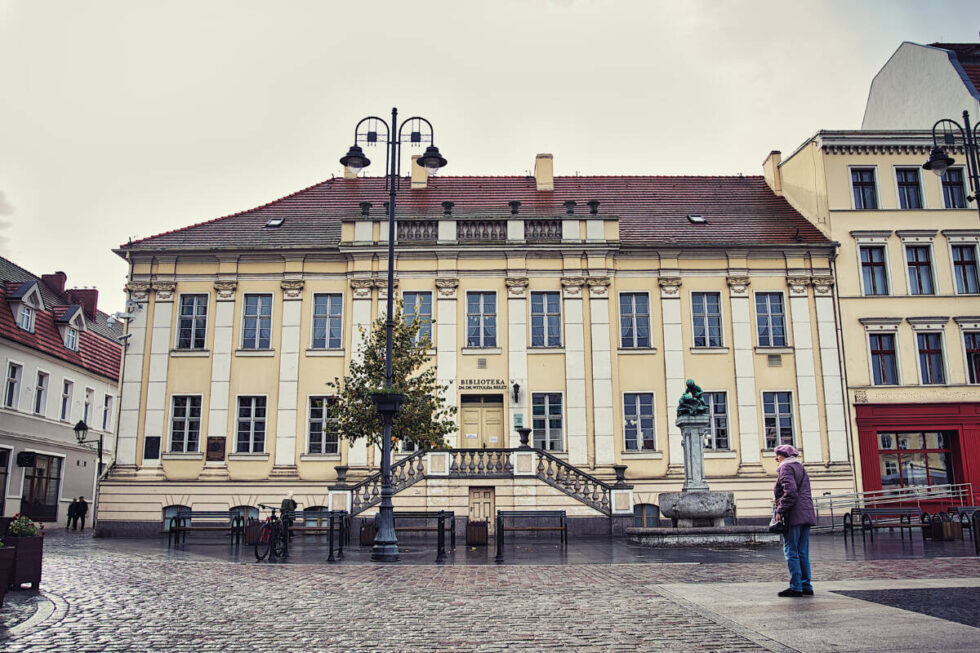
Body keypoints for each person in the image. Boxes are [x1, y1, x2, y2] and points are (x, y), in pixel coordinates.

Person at [773, 444, 816, 597]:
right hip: (806, 513)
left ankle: (796, 586)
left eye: (777, 456)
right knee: (803, 552)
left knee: (791, 551)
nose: (776, 459)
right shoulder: (800, 467)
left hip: (794, 515)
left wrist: (780, 509)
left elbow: (790, 492)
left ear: (782, 456)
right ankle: (806, 585)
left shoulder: (786, 468)